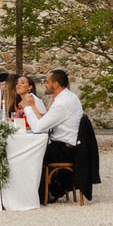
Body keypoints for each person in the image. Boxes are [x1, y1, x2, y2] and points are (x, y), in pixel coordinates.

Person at [28, 69, 85, 202]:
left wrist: (28, 108)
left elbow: (38, 127)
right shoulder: (67, 97)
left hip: (65, 150)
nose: (45, 85)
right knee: (34, 150)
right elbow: (46, 120)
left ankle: (43, 194)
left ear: (56, 84)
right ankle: (44, 191)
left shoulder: (62, 103)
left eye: (47, 82)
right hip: (67, 145)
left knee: (32, 153)